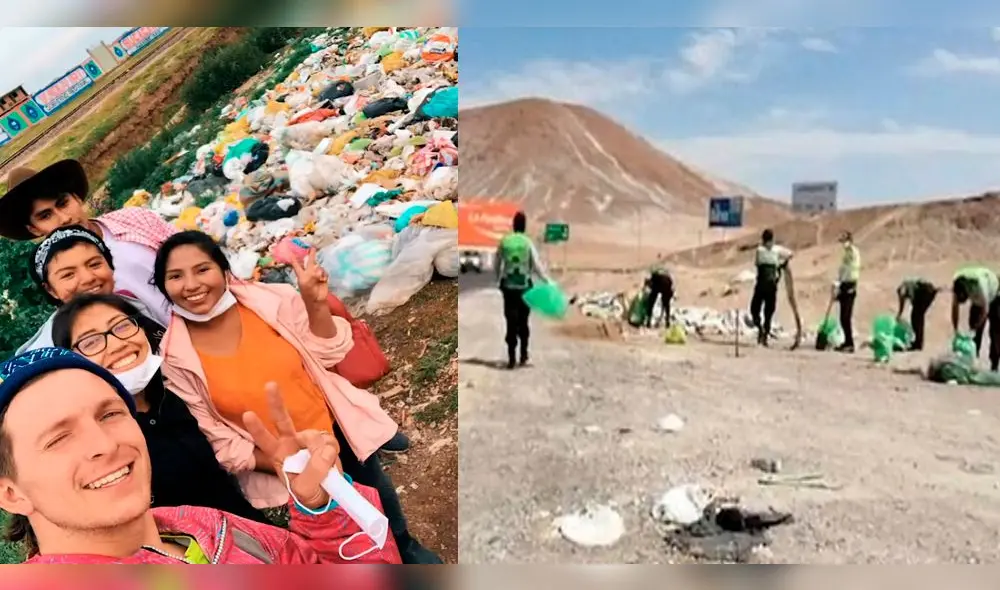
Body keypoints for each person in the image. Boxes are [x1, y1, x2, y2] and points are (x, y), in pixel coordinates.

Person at [153, 230, 440, 563]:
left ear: (223, 269)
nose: (191, 285)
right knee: (334, 536)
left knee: (376, 494)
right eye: (176, 276)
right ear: (163, 286)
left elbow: (330, 352)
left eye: (202, 269)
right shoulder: (175, 357)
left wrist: (315, 304)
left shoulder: (271, 301)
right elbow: (218, 437)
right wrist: (284, 462)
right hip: (283, 465)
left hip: (334, 432)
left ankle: (405, 547)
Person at [0, 347, 401, 564]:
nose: (104, 444)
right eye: (58, 439)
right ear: (11, 493)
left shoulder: (201, 526)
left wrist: (323, 507)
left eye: (110, 414)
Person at [51, 293, 268, 524]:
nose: (117, 344)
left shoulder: (175, 392)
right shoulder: (97, 441)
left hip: (255, 532)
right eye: (91, 342)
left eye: (122, 326)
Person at [0, 160, 177, 325]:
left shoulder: (134, 219)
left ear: (77, 198)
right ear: (34, 229)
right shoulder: (60, 280)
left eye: (63, 204)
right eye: (46, 216)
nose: (64, 218)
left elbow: (187, 252)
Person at [19, 225, 162, 355]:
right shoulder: (49, 353)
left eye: (94, 264)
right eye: (68, 275)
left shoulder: (131, 303)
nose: (88, 278)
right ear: (50, 290)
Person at [494, 211, 552, 369]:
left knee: (510, 322)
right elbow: (537, 265)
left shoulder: (505, 241)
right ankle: (523, 354)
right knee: (523, 322)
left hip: (508, 288)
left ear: (513, 225)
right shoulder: (527, 243)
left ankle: (511, 357)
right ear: (524, 226)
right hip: (525, 288)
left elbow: (497, 262)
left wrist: (498, 279)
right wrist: (547, 281)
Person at [951, 266, 1000, 370]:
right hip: (978, 298)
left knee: (995, 332)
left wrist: (977, 326)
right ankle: (973, 360)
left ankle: (994, 365)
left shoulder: (980, 285)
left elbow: (985, 310)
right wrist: (956, 329)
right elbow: (955, 308)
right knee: (973, 334)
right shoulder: (958, 284)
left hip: (994, 294)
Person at [750, 229, 793, 347]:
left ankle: (761, 330)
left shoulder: (760, 250)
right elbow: (790, 254)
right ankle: (764, 332)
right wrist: (781, 263)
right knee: (768, 312)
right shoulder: (776, 250)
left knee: (756, 309)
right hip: (771, 286)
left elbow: (758, 263)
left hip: (762, 285)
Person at [833, 231, 860, 353]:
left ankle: (850, 344)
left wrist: (841, 282)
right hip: (844, 285)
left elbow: (849, 270)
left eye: (845, 241)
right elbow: (842, 270)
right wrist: (838, 284)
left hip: (850, 285)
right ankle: (846, 342)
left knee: (846, 317)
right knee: (842, 317)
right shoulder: (846, 254)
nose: (843, 244)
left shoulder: (853, 252)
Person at [896, 278, 938, 351]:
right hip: (928, 291)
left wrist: (915, 309)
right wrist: (899, 314)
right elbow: (902, 303)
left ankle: (918, 343)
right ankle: (918, 342)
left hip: (926, 291)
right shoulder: (904, 288)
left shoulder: (907, 288)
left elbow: (912, 299)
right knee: (917, 317)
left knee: (916, 317)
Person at [644, 255, 674, 329]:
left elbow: (650, 282)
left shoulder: (653, 270)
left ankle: (648, 321)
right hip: (667, 282)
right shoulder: (663, 269)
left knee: (651, 302)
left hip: (661, 282)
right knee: (666, 304)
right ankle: (667, 321)